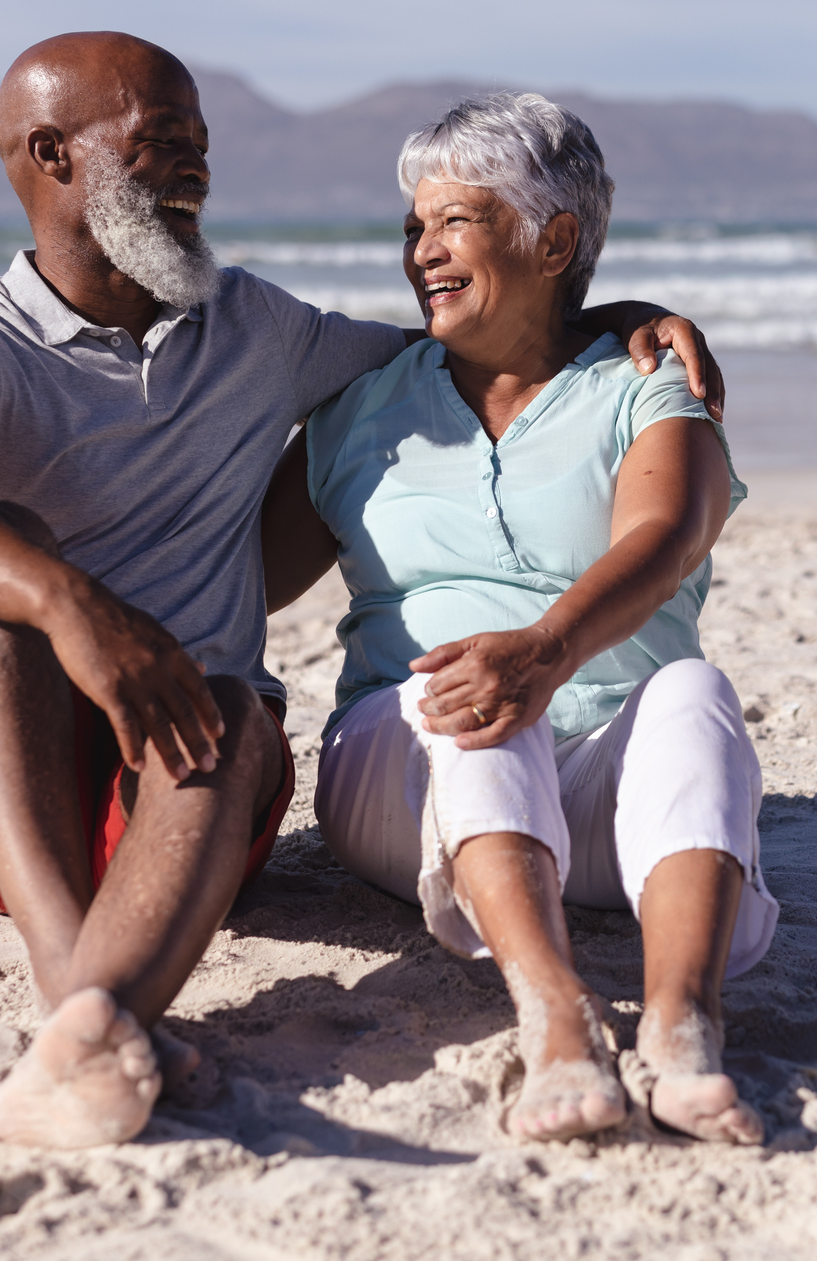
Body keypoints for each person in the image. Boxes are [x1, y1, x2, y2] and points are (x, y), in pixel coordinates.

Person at [0, 33, 724, 1150]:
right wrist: (75, 609)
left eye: (200, 148)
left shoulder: (260, 328)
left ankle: (92, 1029)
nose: (194, 172)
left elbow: (473, 340)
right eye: (158, 146)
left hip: (189, 809)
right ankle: (81, 1004)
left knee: (238, 708)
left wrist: (609, 309)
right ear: (51, 155)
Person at [262, 93, 777, 1146]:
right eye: (413, 225)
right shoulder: (360, 408)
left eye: (455, 220)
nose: (421, 250)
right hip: (401, 775)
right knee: (457, 692)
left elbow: (668, 534)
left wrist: (545, 649)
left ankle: (683, 1020)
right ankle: (556, 1016)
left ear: (552, 240)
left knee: (692, 690)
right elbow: (237, 579)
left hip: (607, 792)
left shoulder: (643, 384)